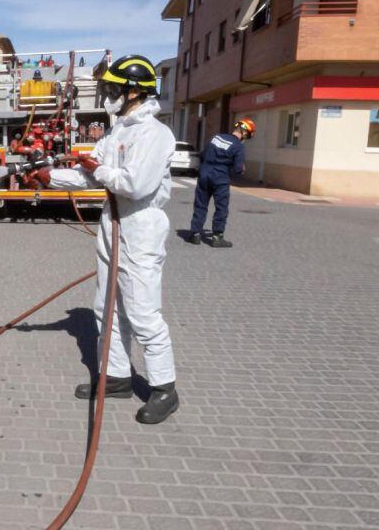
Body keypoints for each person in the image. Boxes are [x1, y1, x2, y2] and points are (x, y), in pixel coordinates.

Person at [28, 55, 179, 424]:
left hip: (140, 226)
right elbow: (91, 177)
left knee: (142, 313)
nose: (107, 95)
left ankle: (164, 389)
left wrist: (100, 169)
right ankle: (116, 378)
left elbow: (135, 185)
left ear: (133, 91)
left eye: (112, 88)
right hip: (112, 224)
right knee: (106, 306)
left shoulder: (153, 134)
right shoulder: (117, 132)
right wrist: (50, 178)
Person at [186, 118, 255, 248]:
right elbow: (238, 169)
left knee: (201, 204)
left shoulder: (217, 137)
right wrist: (241, 168)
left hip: (205, 173)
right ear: (245, 133)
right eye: (248, 136)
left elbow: (204, 154)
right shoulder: (238, 146)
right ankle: (217, 236)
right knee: (221, 207)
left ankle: (195, 234)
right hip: (220, 178)